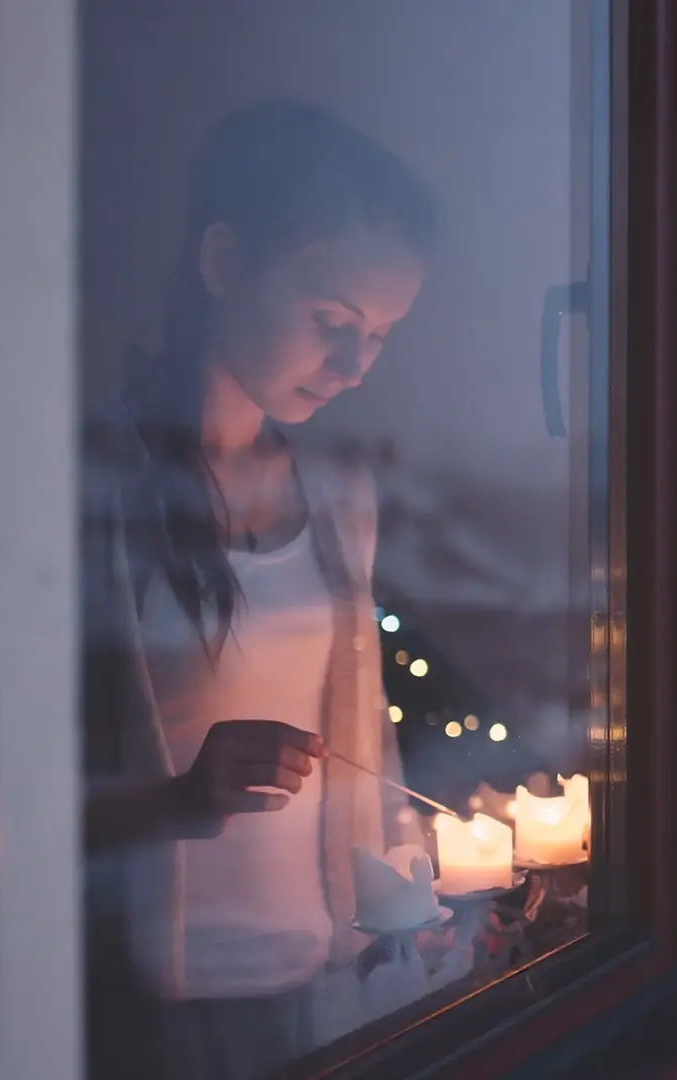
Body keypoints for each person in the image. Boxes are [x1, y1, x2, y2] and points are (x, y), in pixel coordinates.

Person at [79, 100, 439, 1080]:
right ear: (224, 262)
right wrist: (178, 796)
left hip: (322, 990)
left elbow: (367, 734)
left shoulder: (336, 497)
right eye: (332, 322)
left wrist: (406, 901)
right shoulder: (91, 487)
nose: (356, 366)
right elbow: (1, 801)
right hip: (148, 1012)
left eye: (380, 335)